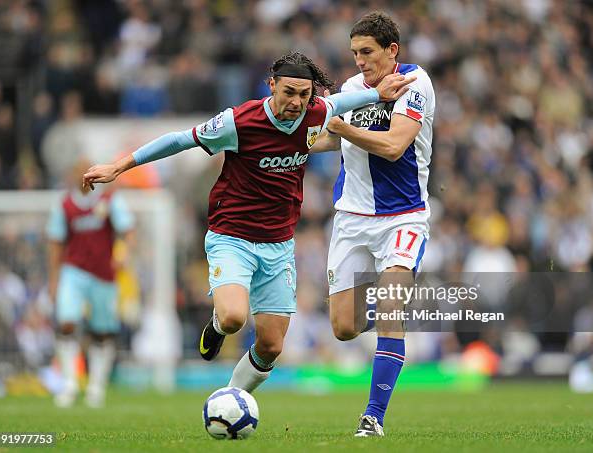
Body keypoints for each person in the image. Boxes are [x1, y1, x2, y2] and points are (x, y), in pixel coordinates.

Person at [82, 52, 415, 394]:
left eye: (304, 94)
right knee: (233, 318)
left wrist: (379, 92)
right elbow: (180, 140)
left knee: (271, 346)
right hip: (232, 237)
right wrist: (119, 166)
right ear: (272, 86)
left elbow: (348, 100)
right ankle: (216, 324)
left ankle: (231, 400)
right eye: (289, 92)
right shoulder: (239, 122)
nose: (297, 102)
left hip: (279, 244)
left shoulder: (317, 112)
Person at [311, 12, 436, 437]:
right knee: (344, 328)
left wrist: (343, 124)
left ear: (391, 50)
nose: (360, 60)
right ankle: (388, 328)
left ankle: (373, 418)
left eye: (367, 52)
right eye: (354, 53)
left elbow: (394, 145)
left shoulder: (415, 84)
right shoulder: (351, 89)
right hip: (351, 218)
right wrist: (298, 136)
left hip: (403, 217)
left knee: (388, 310)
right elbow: (329, 138)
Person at [47, 156, 135, 408]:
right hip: (73, 272)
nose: (82, 175)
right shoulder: (64, 205)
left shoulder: (109, 201)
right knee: (66, 322)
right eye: (78, 171)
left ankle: (96, 386)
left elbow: (127, 230)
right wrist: (53, 279)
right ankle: (69, 384)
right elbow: (55, 243)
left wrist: (125, 251)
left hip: (103, 274)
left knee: (102, 331)